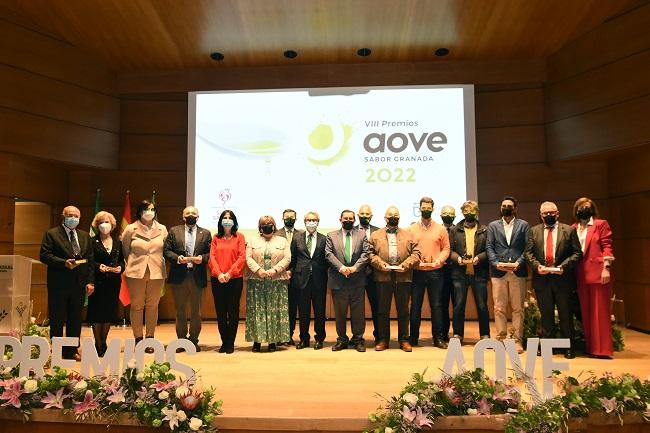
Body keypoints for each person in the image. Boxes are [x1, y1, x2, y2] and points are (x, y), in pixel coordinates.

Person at [525, 201, 582, 359]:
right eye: (545, 213)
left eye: (552, 213)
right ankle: (547, 346)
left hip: (563, 279)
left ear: (557, 214)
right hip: (542, 280)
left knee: (565, 314)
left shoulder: (569, 230)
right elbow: (528, 254)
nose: (549, 215)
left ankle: (568, 347)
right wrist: (537, 267)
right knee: (546, 315)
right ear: (541, 215)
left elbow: (577, 253)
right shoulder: (533, 231)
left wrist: (564, 266)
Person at [40, 205, 94, 361]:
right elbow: (44, 255)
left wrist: (90, 282)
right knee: (57, 318)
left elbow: (90, 261)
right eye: (70, 215)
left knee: (75, 318)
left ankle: (71, 350)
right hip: (59, 283)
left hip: (79, 284)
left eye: (76, 216)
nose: (73, 218)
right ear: (63, 216)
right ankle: (56, 350)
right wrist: (64, 262)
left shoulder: (84, 236)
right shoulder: (52, 234)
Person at [369, 206, 420, 351]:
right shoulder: (375, 235)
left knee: (404, 310)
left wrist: (405, 264)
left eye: (396, 215)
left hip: (403, 276)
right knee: (382, 310)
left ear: (399, 217)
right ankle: (383, 340)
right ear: (385, 218)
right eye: (390, 215)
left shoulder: (409, 234)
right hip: (382, 276)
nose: (393, 217)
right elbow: (370, 254)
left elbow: (416, 254)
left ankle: (404, 340)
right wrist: (380, 264)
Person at [122, 200, 168, 351]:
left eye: (152, 209)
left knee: (152, 306)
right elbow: (125, 250)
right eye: (146, 209)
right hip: (136, 272)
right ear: (140, 211)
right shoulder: (130, 228)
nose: (149, 212)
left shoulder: (162, 229)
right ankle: (138, 338)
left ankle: (150, 338)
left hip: (157, 272)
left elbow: (165, 249)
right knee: (136, 305)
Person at [163, 206, 211, 352]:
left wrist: (202, 258)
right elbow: (166, 250)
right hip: (179, 276)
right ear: (183, 216)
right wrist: (178, 258)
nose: (191, 215)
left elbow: (211, 253)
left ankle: (193, 340)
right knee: (180, 311)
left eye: (194, 213)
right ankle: (182, 341)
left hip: (197, 276)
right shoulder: (174, 231)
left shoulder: (206, 233)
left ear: (198, 216)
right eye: (188, 213)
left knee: (196, 312)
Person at [572, 197, 615, 359]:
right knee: (586, 312)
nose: (583, 209)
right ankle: (591, 347)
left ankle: (603, 350)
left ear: (592, 209)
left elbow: (607, 245)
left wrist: (606, 268)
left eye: (587, 207)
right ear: (576, 210)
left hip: (598, 273)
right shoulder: (573, 228)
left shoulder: (600, 224)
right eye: (580, 207)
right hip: (580, 274)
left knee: (600, 312)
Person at [486, 197, 530, 351]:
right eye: (503, 205)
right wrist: (496, 263)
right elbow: (489, 247)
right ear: (500, 208)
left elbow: (528, 248)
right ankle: (501, 338)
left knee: (518, 309)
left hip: (518, 272)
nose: (506, 208)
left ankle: (517, 340)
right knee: (499, 307)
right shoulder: (493, 226)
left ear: (515, 208)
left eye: (509, 206)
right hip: (498, 273)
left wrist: (518, 263)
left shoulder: (523, 225)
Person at [408, 197, 450, 349]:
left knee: (437, 306)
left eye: (428, 207)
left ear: (433, 209)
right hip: (417, 273)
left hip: (435, 273)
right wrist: (414, 261)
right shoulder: (411, 229)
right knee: (415, 306)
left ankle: (438, 338)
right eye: (423, 207)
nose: (426, 210)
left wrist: (440, 260)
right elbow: (408, 249)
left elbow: (446, 248)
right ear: (419, 209)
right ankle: (413, 338)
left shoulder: (441, 229)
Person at [325, 210, 370, 352]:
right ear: (340, 219)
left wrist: (355, 268)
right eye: (346, 218)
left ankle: (358, 339)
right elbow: (328, 253)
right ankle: (342, 340)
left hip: (357, 279)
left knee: (358, 313)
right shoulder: (331, 235)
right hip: (338, 279)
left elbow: (366, 253)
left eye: (351, 218)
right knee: (340, 313)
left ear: (354, 220)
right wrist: (341, 268)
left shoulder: (362, 235)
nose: (348, 220)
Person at [245, 216, 291, 352]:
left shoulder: (282, 241)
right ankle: (257, 341)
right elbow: (247, 257)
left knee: (275, 310)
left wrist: (274, 270)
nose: (267, 226)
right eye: (264, 224)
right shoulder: (253, 240)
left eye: (270, 224)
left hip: (277, 281)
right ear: (260, 227)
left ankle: (273, 341)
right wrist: (258, 270)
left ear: (274, 225)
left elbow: (288, 258)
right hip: (257, 281)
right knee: (257, 310)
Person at [449, 200, 490, 343]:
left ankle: (484, 334)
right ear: (462, 212)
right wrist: (458, 259)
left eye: (472, 210)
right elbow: (450, 251)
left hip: (479, 274)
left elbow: (489, 250)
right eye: (466, 210)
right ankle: (458, 334)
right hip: (459, 274)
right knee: (459, 305)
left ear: (477, 212)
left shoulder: (485, 230)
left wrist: (479, 257)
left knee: (482, 306)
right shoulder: (455, 230)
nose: (469, 213)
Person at [208, 210, 246, 354]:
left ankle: (230, 343)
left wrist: (230, 273)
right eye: (225, 217)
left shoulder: (239, 237)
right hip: (218, 279)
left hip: (234, 280)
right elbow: (212, 257)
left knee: (233, 311)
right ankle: (224, 342)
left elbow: (242, 257)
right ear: (220, 221)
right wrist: (219, 274)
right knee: (221, 312)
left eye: (230, 218)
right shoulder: (216, 238)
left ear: (234, 221)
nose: (227, 220)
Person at [87, 211, 124, 357]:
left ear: (112, 225)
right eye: (101, 222)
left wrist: (121, 268)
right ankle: (98, 343)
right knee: (97, 313)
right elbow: (90, 262)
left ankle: (104, 342)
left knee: (108, 313)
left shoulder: (118, 242)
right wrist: (98, 267)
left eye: (107, 222)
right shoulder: (91, 241)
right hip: (98, 282)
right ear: (97, 225)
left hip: (113, 283)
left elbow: (122, 260)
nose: (104, 225)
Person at [290, 212, 328, 349]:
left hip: (319, 279)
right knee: (303, 311)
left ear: (318, 222)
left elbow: (327, 260)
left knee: (320, 311)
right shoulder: (297, 238)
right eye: (309, 220)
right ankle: (304, 339)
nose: (311, 222)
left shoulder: (325, 239)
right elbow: (293, 259)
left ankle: (319, 338)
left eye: (314, 220)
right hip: (301, 280)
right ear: (304, 221)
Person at [276, 208, 302, 345]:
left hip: (295, 276)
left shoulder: (302, 234)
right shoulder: (275, 234)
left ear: (296, 219)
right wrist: (281, 271)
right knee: (279, 307)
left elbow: (301, 257)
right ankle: (278, 335)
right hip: (277, 276)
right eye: (287, 217)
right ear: (282, 218)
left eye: (292, 217)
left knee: (292, 307)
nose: (289, 219)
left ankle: (289, 335)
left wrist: (291, 271)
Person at [356, 204, 380, 343]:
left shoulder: (379, 231)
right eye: (362, 214)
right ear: (358, 215)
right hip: (356, 275)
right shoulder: (351, 230)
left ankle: (379, 335)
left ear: (371, 216)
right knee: (357, 309)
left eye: (367, 214)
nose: (365, 216)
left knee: (377, 306)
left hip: (374, 275)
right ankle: (357, 337)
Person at [440, 205, 457, 341]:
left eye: (450, 213)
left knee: (457, 304)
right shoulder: (437, 230)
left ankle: (457, 333)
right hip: (440, 273)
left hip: (457, 273)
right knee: (442, 304)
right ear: (440, 215)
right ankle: (443, 333)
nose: (448, 215)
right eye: (445, 213)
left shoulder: (458, 230)